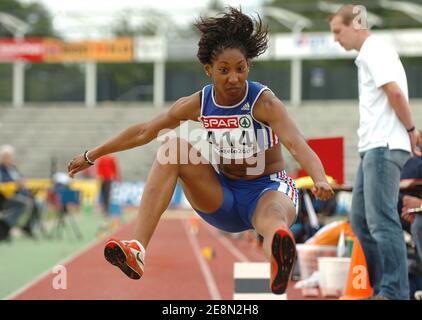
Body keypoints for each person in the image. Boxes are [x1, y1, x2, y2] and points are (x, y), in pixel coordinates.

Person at [68, 7, 334, 295]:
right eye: (224, 70)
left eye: (240, 68)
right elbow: (145, 131)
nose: (234, 78)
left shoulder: (263, 102)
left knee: (273, 220)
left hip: (267, 189)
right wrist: (91, 155)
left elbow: (296, 143)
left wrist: (319, 177)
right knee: (172, 148)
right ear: (208, 69)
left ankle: (277, 258)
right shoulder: (198, 103)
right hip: (223, 196)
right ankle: (138, 249)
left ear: (248, 67)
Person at [329, 5, 420, 300]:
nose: (335, 38)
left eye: (337, 31)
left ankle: (394, 292)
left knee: (381, 220)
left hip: (384, 145)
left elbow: (395, 92)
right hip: (372, 147)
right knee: (361, 222)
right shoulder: (368, 54)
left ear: (355, 24)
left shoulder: (374, 50)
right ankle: (384, 287)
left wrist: (410, 130)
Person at [0, 144, 40, 239]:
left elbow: (22, 180)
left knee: (39, 203)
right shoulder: (1, 170)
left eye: (9, 157)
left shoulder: (13, 169)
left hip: (20, 195)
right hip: (6, 198)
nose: (8, 159)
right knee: (25, 203)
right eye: (6, 157)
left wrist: (23, 185)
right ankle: (5, 227)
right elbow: (4, 185)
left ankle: (28, 226)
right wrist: (16, 184)